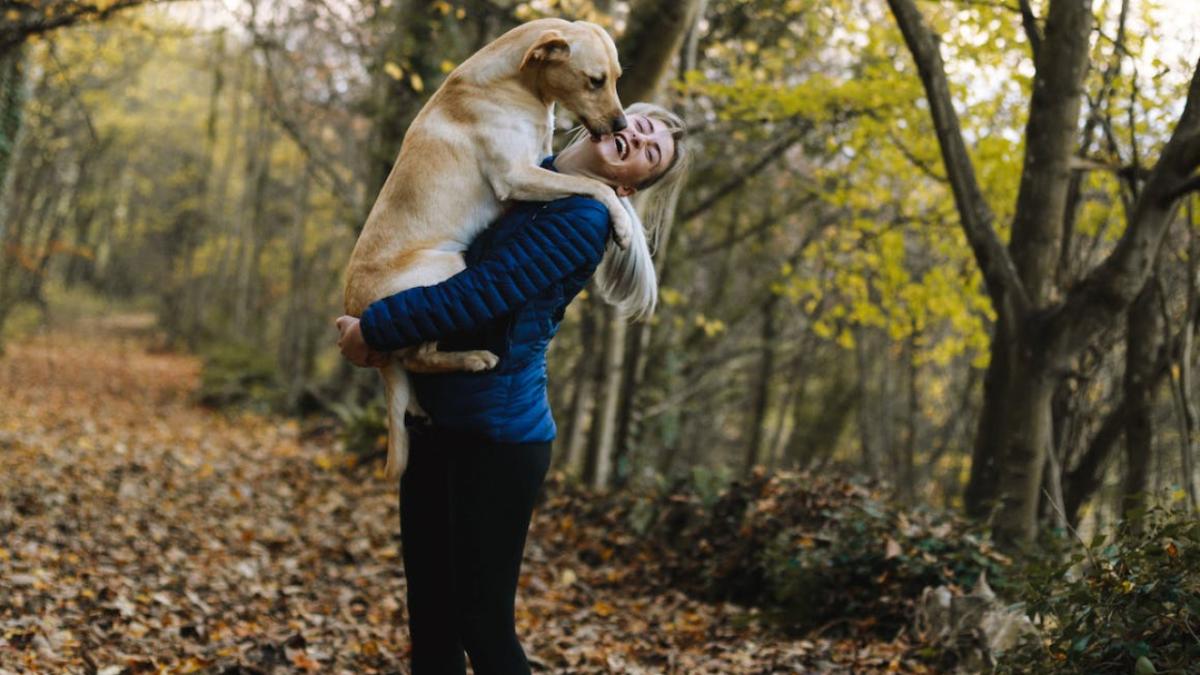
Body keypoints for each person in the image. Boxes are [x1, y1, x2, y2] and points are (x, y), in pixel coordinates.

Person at [334, 102, 688, 675]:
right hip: (434, 422)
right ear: (609, 122)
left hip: (497, 442)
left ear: (628, 189)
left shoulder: (582, 220)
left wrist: (377, 330)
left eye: (651, 155)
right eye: (642, 127)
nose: (640, 140)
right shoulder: (523, 177)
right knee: (431, 624)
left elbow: (480, 296)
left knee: (483, 627)